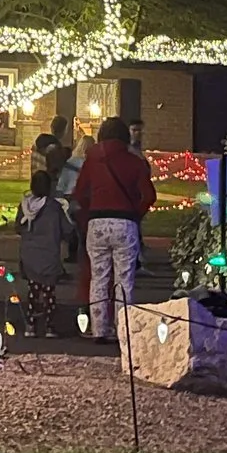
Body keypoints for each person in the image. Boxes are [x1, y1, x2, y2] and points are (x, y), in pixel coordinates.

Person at [72, 115, 156, 342]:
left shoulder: (92, 160)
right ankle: (124, 329)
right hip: (125, 222)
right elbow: (149, 195)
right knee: (124, 279)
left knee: (98, 278)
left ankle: (99, 329)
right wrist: (135, 214)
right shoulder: (135, 162)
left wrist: (90, 213)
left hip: (97, 222)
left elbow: (79, 193)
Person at [14, 168, 78, 337]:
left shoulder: (25, 205)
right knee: (49, 292)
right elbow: (67, 229)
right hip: (49, 254)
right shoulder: (54, 207)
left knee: (33, 291)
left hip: (29, 254)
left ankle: (31, 325)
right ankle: (49, 326)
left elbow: (18, 227)